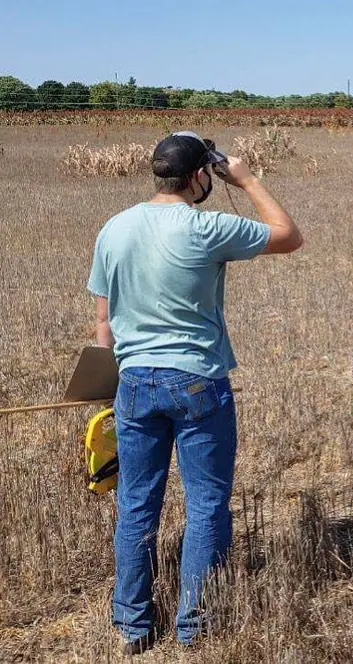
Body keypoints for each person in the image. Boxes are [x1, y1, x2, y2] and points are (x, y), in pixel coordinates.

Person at [87, 131, 303, 655]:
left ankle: (133, 624)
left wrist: (105, 389)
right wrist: (247, 178)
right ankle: (194, 623)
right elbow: (288, 234)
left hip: (134, 382)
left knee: (136, 505)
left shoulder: (113, 229)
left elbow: (102, 322)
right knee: (206, 506)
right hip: (198, 382)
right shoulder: (207, 227)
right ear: (199, 176)